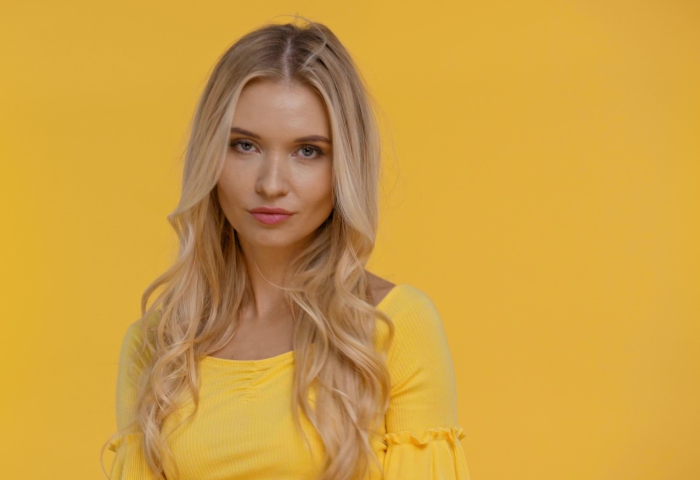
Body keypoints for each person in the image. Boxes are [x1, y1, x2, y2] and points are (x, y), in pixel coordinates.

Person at [101, 16, 470, 480]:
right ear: (210, 156)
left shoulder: (394, 329)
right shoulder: (157, 348)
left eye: (308, 151)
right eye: (245, 146)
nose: (271, 184)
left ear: (345, 167)